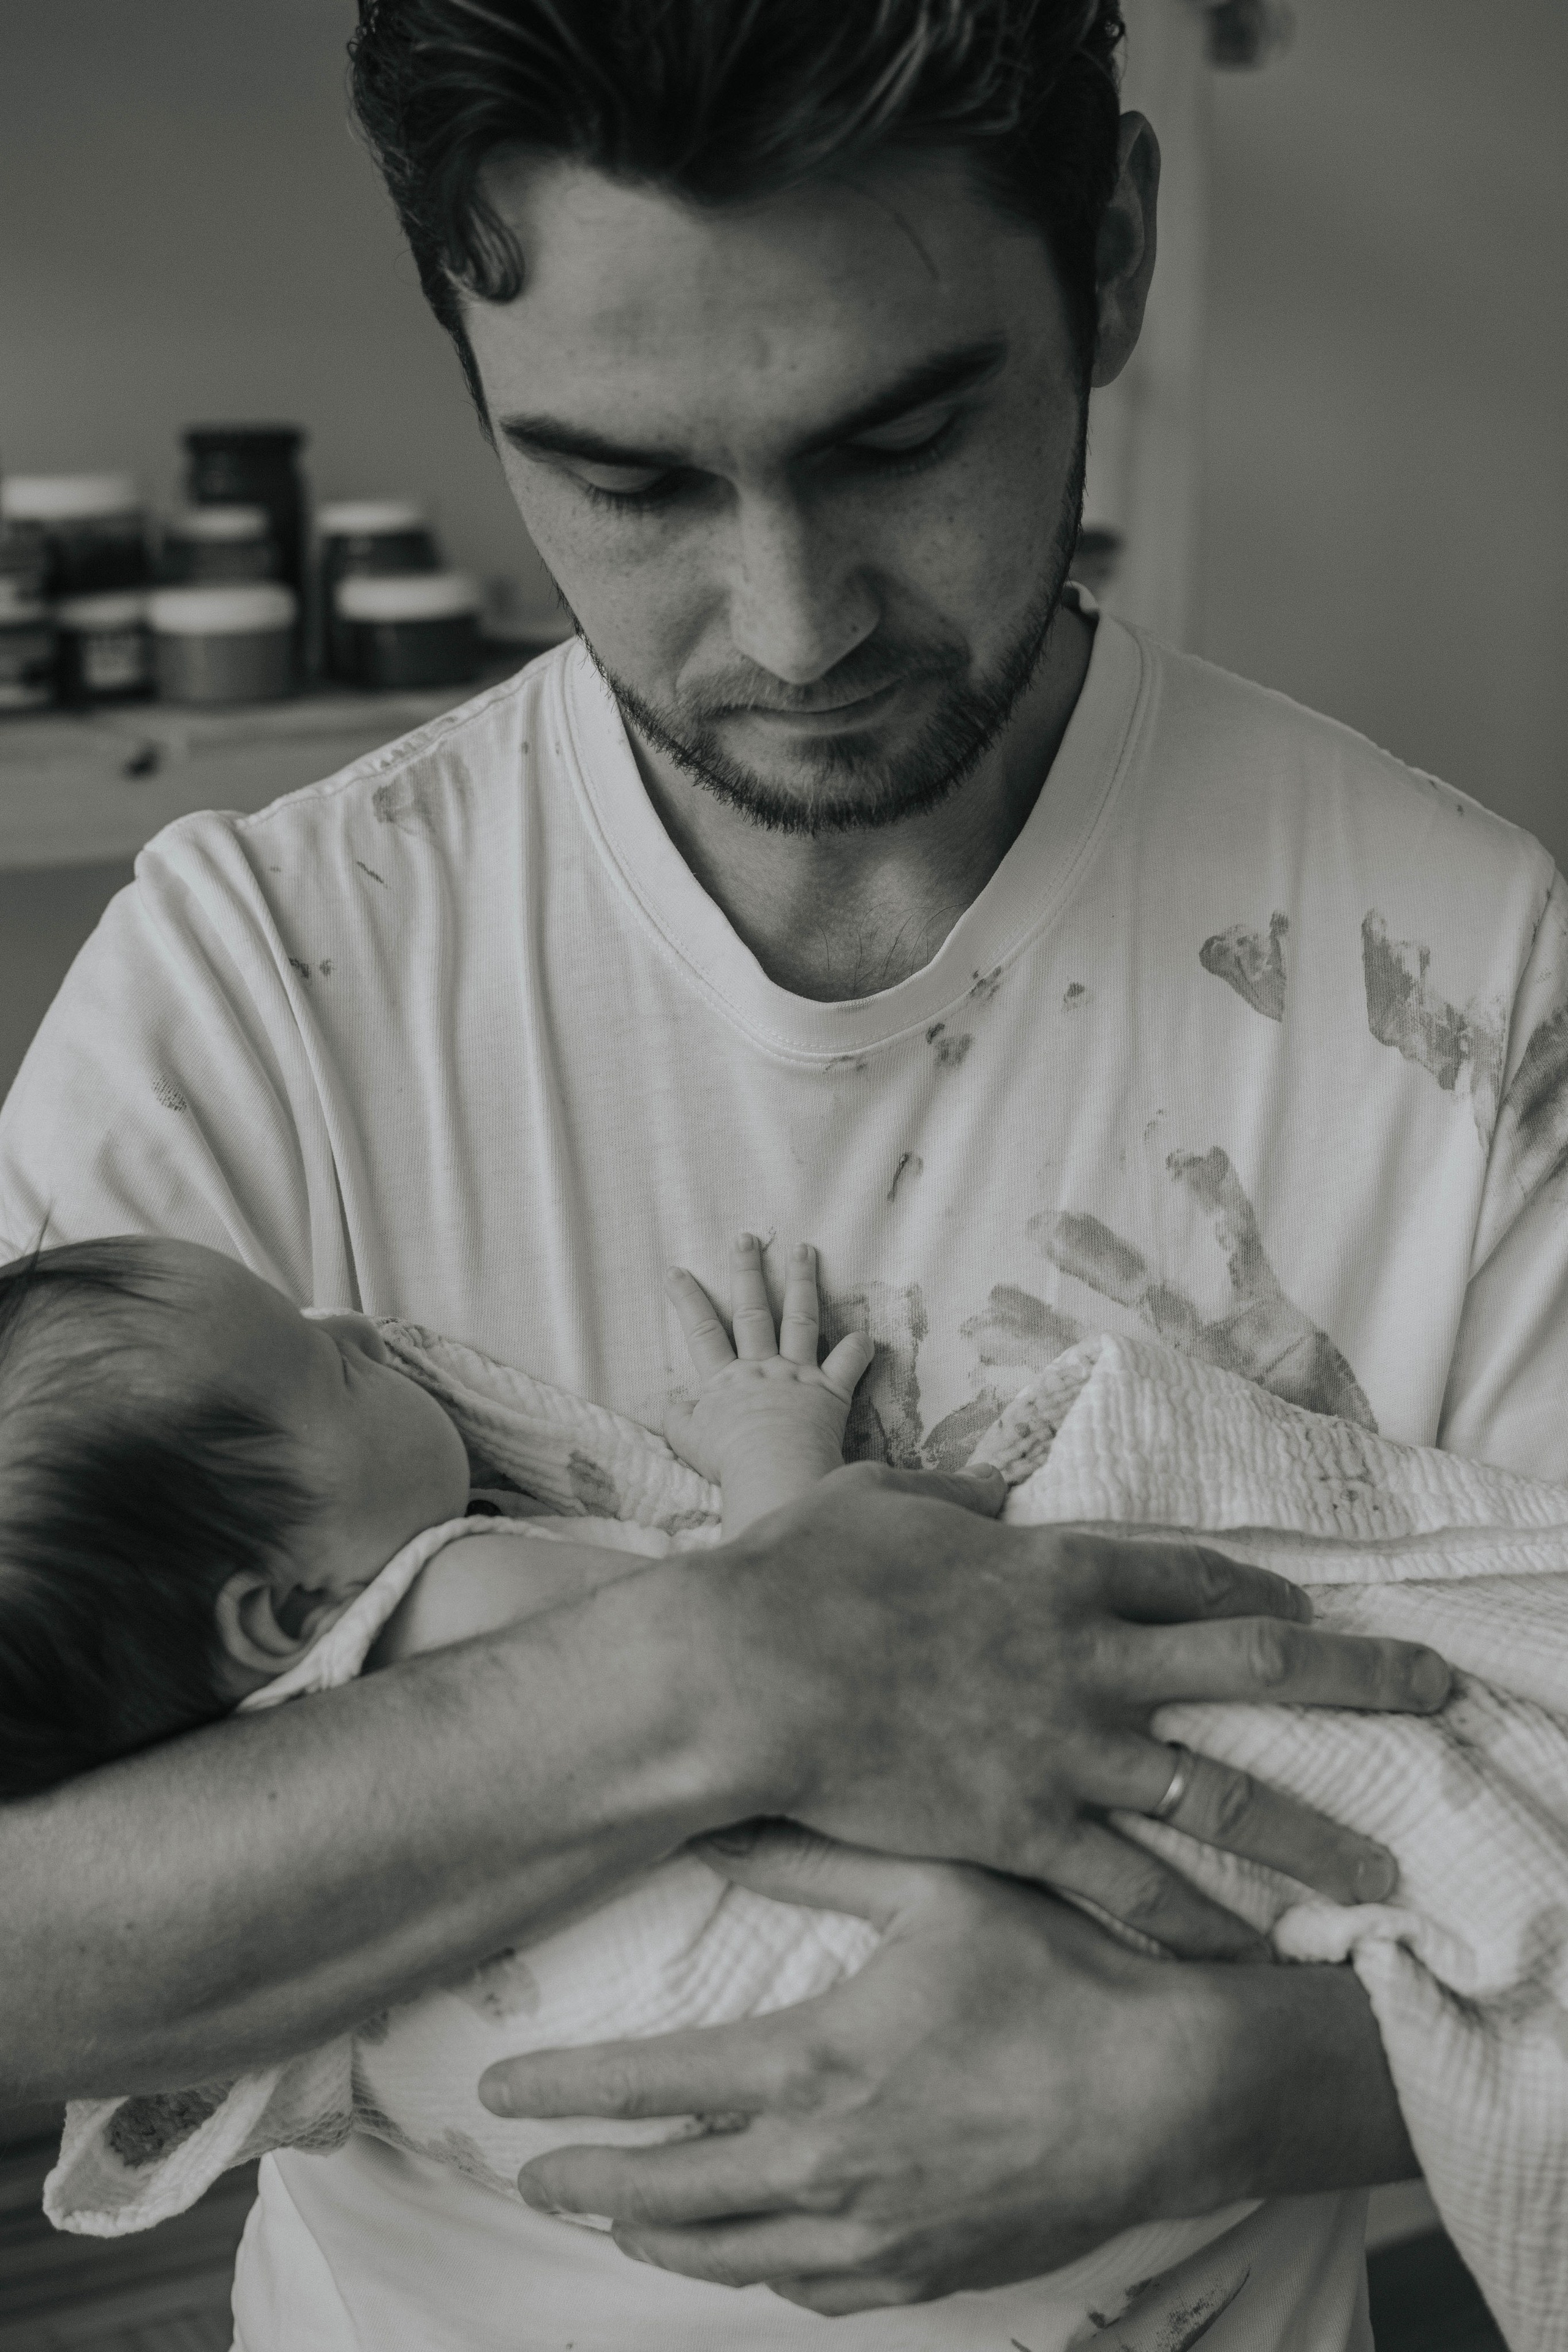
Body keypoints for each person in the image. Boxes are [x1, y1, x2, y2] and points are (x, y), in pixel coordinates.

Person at [2, 0, 1564, 2343]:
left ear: (1113, 255)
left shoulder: (1462, 978)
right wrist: (747, 1672)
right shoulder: (261, 972)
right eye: (628, 485)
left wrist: (1212, 2095)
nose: (793, 623)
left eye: (903, 435)